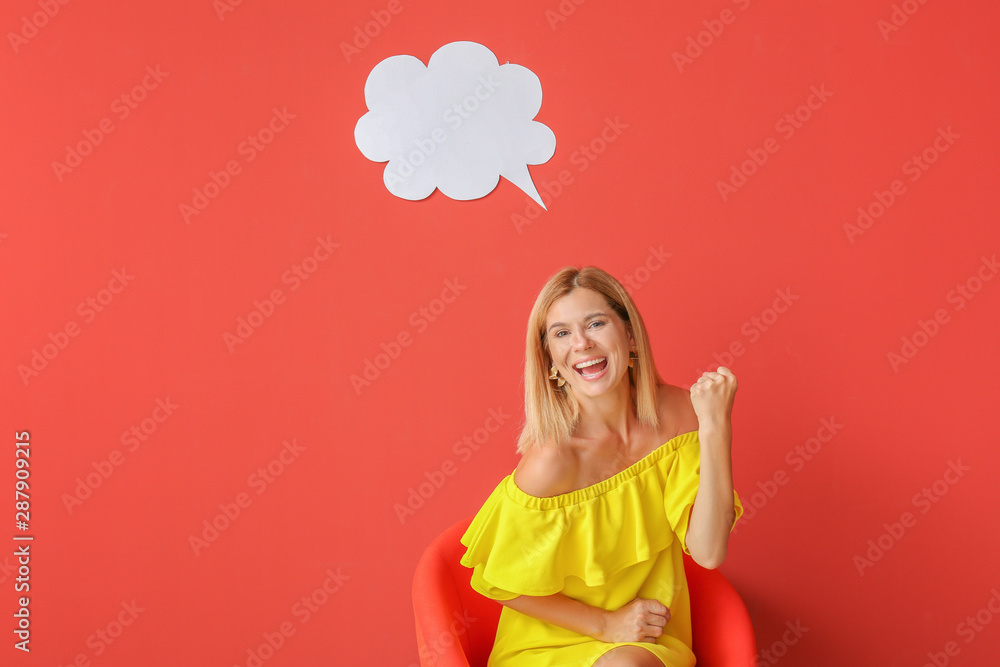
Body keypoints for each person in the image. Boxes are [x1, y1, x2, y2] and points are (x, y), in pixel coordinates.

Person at [459, 265, 744, 667]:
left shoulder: (681, 414)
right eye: (561, 334)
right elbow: (496, 580)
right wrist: (605, 625)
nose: (581, 344)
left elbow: (709, 551)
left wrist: (716, 428)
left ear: (630, 336)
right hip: (550, 648)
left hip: (646, 642)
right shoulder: (552, 461)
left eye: (595, 324)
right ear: (551, 361)